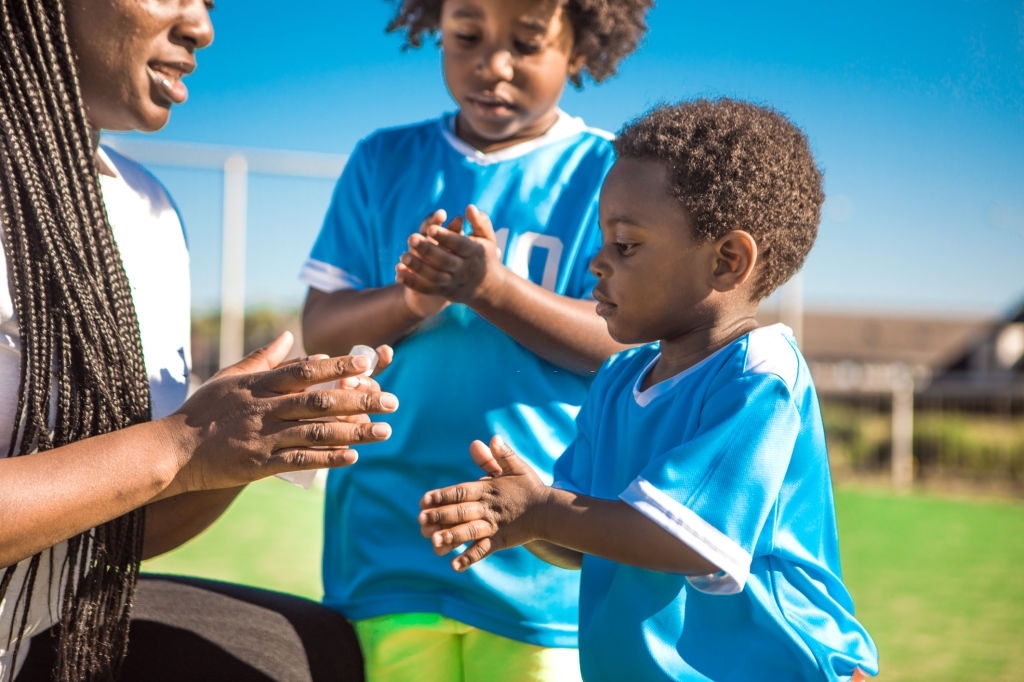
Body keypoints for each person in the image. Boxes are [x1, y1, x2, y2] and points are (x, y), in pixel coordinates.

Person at [417, 98, 881, 681]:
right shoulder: (617, 381)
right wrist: (526, 521)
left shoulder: (758, 377)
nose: (596, 262)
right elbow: (589, 538)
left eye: (625, 245)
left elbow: (681, 540)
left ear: (728, 261)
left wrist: (542, 510)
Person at [0, 1, 398, 680]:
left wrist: (249, 447)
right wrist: (180, 443)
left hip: (24, 635)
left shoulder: (144, 207)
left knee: (310, 647)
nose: (202, 27)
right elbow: (162, 455)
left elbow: (114, 535)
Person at [299, 0, 652, 679]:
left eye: (526, 43)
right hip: (386, 545)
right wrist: (414, 299)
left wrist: (495, 290)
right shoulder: (383, 159)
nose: (493, 65)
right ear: (437, 31)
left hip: (546, 559)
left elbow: (628, 347)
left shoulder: (612, 173)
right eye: (468, 36)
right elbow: (322, 327)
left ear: (579, 51)